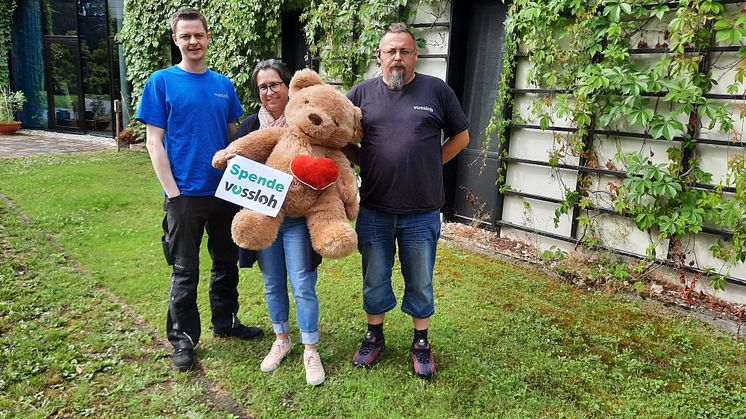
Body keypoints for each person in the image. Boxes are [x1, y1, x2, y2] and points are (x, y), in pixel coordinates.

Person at [136, 7, 263, 372]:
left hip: (224, 194)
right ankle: (183, 340)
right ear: (176, 40)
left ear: (207, 38)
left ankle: (226, 322)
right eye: (186, 35)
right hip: (184, 196)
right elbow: (154, 143)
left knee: (226, 263)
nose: (193, 41)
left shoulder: (223, 86)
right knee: (185, 269)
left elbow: (232, 141)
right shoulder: (161, 82)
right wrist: (173, 194)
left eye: (199, 35)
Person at [346, 22, 470, 379]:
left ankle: (421, 342)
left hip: (422, 209)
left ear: (415, 56)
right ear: (379, 57)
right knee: (374, 278)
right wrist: (364, 159)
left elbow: (461, 136)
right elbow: (340, 136)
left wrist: (433, 162)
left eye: (405, 51)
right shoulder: (361, 95)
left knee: (420, 280)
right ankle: (375, 336)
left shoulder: (437, 91)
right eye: (391, 51)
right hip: (374, 208)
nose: (397, 58)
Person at [235, 59, 326, 386]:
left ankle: (310, 348)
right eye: (263, 86)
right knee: (272, 283)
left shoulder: (306, 123)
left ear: (288, 87)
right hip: (265, 221)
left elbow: (323, 166)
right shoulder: (249, 127)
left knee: (303, 284)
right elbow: (238, 173)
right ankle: (282, 340)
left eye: (275, 84)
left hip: (297, 221)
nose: (269, 91)